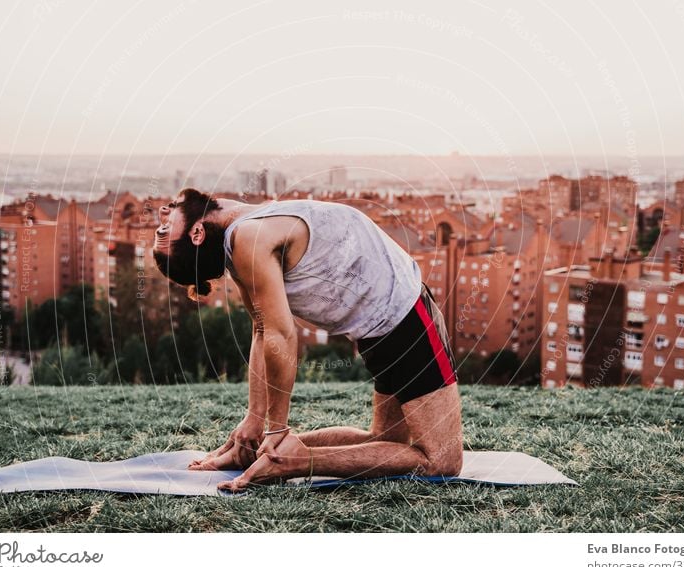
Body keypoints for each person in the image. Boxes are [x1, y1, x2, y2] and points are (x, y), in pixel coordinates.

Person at [153, 188, 462, 492]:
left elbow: (266, 330)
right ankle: (288, 459)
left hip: (389, 319)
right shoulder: (241, 237)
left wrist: (258, 429)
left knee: (386, 441)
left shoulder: (235, 225)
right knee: (441, 461)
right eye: (163, 229)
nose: (162, 212)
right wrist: (267, 424)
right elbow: (272, 331)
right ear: (196, 233)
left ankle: (267, 453)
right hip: (404, 318)